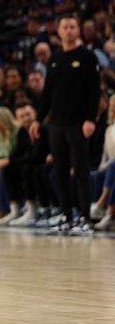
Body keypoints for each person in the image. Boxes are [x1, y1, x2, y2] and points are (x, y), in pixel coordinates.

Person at [29, 14, 99, 235]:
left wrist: (90, 119)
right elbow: (48, 94)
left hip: (78, 124)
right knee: (59, 172)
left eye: (72, 27)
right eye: (65, 27)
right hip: (56, 125)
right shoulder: (54, 59)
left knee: (81, 171)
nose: (68, 31)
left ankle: (85, 217)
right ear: (58, 31)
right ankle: (67, 216)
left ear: (77, 30)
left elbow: (94, 92)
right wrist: (38, 120)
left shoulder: (88, 57)